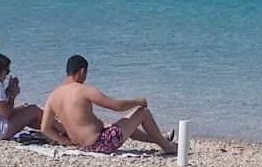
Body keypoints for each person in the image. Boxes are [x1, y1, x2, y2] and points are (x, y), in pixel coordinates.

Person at [40, 54, 177, 156]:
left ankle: (160, 139)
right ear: (82, 71)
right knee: (142, 113)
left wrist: (64, 141)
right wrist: (137, 101)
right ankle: (168, 147)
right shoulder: (84, 90)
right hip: (101, 143)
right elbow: (116, 106)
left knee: (125, 124)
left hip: (80, 146)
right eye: (86, 73)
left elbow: (45, 128)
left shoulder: (53, 96)